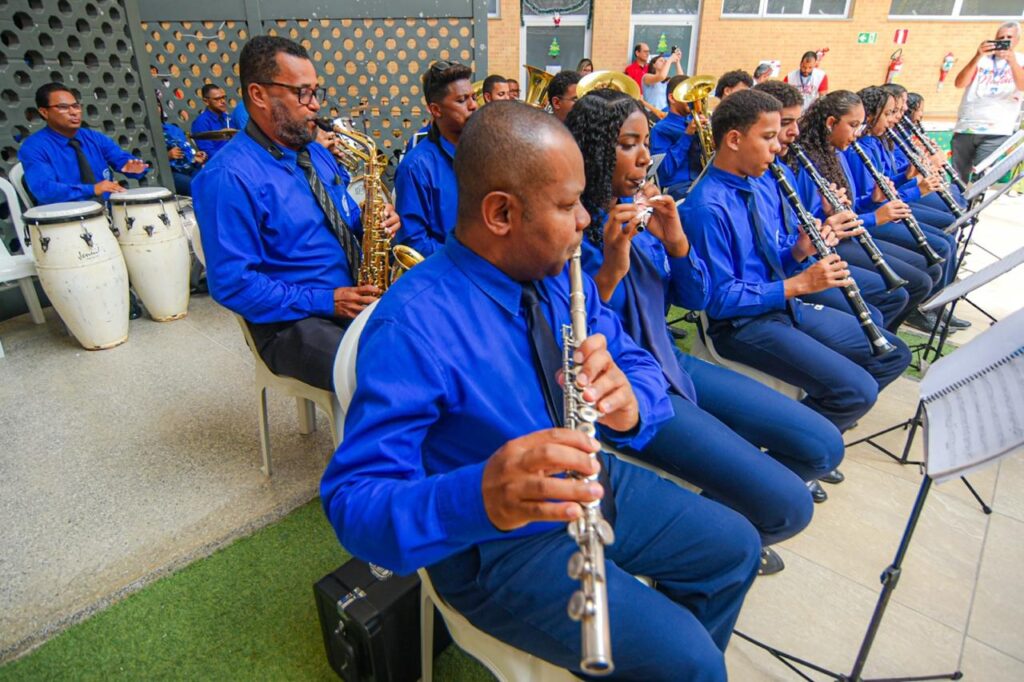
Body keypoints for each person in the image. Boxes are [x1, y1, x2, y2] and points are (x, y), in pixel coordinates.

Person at [321, 100, 761, 681]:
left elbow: (632, 358)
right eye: (567, 204)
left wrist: (633, 403)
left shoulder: (555, 273)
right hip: (498, 545)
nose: (585, 218)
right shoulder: (412, 327)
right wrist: (479, 495)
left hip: (588, 479)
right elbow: (353, 502)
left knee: (736, 546)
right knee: (693, 661)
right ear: (501, 213)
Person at [567, 89, 830, 550]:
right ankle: (715, 546)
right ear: (593, 151)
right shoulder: (569, 228)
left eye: (645, 142)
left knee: (820, 444)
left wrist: (676, 243)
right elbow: (574, 338)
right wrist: (610, 268)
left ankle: (720, 522)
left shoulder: (640, 214)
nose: (645, 157)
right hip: (627, 390)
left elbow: (697, 298)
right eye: (628, 144)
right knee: (790, 504)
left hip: (670, 362)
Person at [681, 89, 910, 434]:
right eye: (769, 137)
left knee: (892, 353)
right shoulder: (706, 208)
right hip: (743, 326)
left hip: (783, 307)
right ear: (734, 139)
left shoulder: (756, 184)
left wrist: (800, 251)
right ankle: (797, 441)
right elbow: (719, 300)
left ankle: (811, 428)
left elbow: (771, 260)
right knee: (857, 390)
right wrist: (798, 285)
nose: (778, 146)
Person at [192, 36, 399, 392]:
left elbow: (343, 215)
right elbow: (232, 284)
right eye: (303, 93)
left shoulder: (315, 153)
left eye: (316, 92)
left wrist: (372, 221)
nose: (315, 105)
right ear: (259, 95)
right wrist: (327, 300)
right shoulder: (227, 177)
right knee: (388, 374)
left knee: (434, 336)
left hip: (350, 295)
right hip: (289, 322)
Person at [753, 80, 910, 334]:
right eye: (854, 125)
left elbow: (801, 223)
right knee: (890, 299)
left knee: (890, 301)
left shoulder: (800, 164)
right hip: (796, 268)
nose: (795, 132)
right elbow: (781, 242)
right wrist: (868, 217)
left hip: (808, 255)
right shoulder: (794, 166)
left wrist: (866, 203)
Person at [791, 89, 939, 334]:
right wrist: (877, 214)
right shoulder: (808, 163)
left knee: (921, 273)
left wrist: (874, 200)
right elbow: (809, 224)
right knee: (904, 289)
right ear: (831, 123)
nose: (857, 132)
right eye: (853, 125)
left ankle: (880, 337)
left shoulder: (837, 153)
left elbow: (851, 207)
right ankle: (874, 339)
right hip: (829, 246)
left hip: (848, 234)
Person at [393, 60, 477, 257]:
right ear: (436, 110)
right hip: (449, 272)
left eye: (473, 97)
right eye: (462, 100)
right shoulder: (415, 167)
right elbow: (413, 244)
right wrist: (471, 258)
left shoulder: (483, 152)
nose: (473, 105)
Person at [19, 83, 149, 204]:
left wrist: (133, 167)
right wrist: (92, 189)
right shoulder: (34, 147)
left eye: (76, 106)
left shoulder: (94, 137)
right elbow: (45, 190)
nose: (73, 112)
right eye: (63, 107)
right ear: (44, 112)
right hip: (67, 216)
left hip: (108, 210)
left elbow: (121, 159)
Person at [951, 22, 1024, 182]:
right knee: (957, 177)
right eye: (1000, 37)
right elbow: (960, 83)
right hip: (968, 125)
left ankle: (975, 199)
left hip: (997, 129)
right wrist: (977, 56)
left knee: (982, 177)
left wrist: (1012, 62)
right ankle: (954, 199)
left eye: (1009, 37)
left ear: (1017, 40)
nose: (1004, 41)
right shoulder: (982, 59)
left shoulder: (1020, 60)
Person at [650, 74, 703, 200]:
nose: (692, 99)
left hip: (701, 181)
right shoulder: (660, 129)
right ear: (672, 98)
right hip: (678, 187)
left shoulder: (696, 122)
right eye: (687, 95)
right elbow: (665, 171)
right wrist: (687, 135)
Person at [159, 97, 206, 196]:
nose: (157, 109)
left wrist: (194, 157)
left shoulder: (173, 129)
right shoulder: (146, 135)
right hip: (169, 173)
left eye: (158, 105)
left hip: (189, 168)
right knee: (194, 186)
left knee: (212, 180)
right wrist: (167, 156)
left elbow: (185, 149)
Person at [191, 83, 232, 159]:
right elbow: (208, 152)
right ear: (206, 101)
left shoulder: (227, 117)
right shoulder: (201, 122)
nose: (223, 101)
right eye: (217, 99)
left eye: (223, 97)